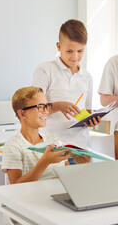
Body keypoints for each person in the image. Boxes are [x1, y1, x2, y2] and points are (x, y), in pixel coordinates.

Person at [2, 86, 90, 185]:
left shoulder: (53, 139)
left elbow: (67, 175)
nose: (46, 111)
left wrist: (80, 164)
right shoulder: (13, 146)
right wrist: (45, 161)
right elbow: (15, 184)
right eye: (40, 107)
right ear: (22, 114)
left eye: (46, 106)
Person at [32, 19, 100, 148]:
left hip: (81, 147)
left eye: (80, 51)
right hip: (51, 146)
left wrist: (91, 121)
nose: (75, 56)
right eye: (69, 51)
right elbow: (34, 109)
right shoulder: (45, 70)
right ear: (59, 46)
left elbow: (87, 110)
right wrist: (57, 106)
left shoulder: (87, 77)